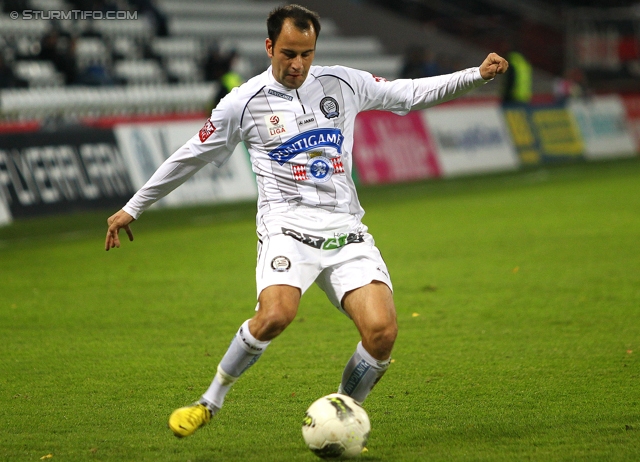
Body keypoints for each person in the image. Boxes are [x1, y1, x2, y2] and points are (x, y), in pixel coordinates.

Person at [105, 4, 508, 438]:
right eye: (288, 53)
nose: (297, 64)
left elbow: (409, 94)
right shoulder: (242, 102)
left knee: (382, 334)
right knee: (276, 315)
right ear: (269, 47)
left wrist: (476, 75)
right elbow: (190, 155)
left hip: (345, 228)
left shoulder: (343, 82)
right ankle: (209, 401)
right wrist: (135, 205)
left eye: (307, 54)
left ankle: (342, 417)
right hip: (286, 227)